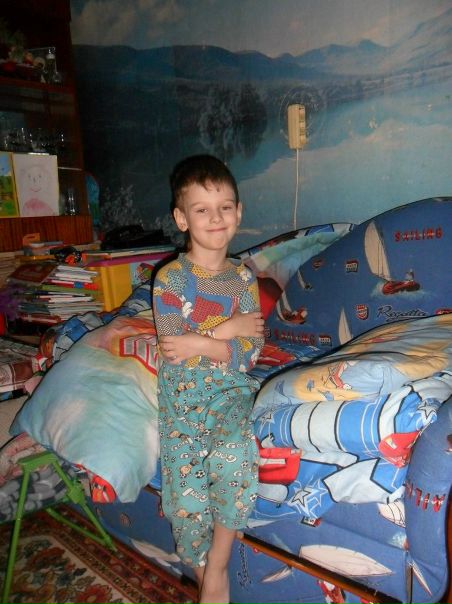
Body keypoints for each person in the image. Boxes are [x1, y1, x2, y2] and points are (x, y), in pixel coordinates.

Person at [152, 154, 265, 604]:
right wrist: (227, 332)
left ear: (238, 212)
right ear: (182, 218)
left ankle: (216, 569)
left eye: (225, 207)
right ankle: (207, 584)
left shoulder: (243, 278)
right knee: (185, 501)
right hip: (181, 400)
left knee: (234, 454)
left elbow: (251, 354)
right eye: (202, 209)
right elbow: (173, 348)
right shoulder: (170, 279)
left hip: (230, 392)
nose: (216, 218)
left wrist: (203, 341)